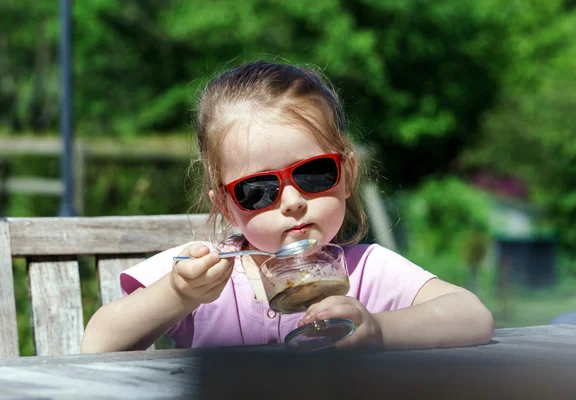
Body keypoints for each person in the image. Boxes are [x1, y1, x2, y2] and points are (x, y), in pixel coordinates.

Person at [80, 61, 494, 353]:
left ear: (347, 175)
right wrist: (177, 294)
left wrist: (379, 328)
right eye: (258, 190)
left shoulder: (368, 270)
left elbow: (472, 316)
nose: (293, 202)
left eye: (314, 174)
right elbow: (98, 344)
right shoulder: (201, 276)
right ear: (226, 205)